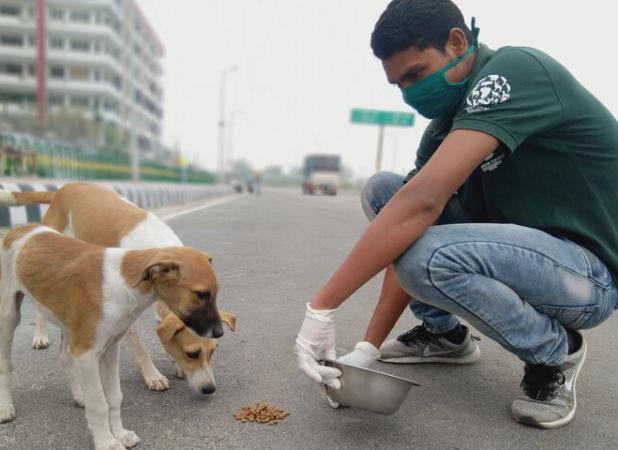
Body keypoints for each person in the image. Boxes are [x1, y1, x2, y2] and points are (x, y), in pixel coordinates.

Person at [295, 0, 618, 429]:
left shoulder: (514, 71)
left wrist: (321, 308)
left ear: (457, 41)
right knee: (387, 192)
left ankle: (553, 354)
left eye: (416, 74)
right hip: (519, 253)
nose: (411, 93)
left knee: (425, 252)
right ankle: (445, 336)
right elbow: (405, 213)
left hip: (586, 274)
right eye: (399, 85)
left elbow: (424, 204)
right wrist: (366, 351)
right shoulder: (448, 124)